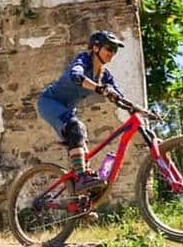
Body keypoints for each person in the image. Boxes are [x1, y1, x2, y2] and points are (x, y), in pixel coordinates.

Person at [37, 30, 124, 192]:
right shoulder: (83, 60)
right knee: (76, 127)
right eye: (109, 48)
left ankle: (82, 197)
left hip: (68, 109)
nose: (112, 53)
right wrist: (99, 89)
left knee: (82, 142)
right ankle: (82, 178)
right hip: (50, 102)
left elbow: (119, 95)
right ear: (96, 48)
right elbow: (75, 75)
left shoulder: (105, 75)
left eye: (115, 50)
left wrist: (140, 111)